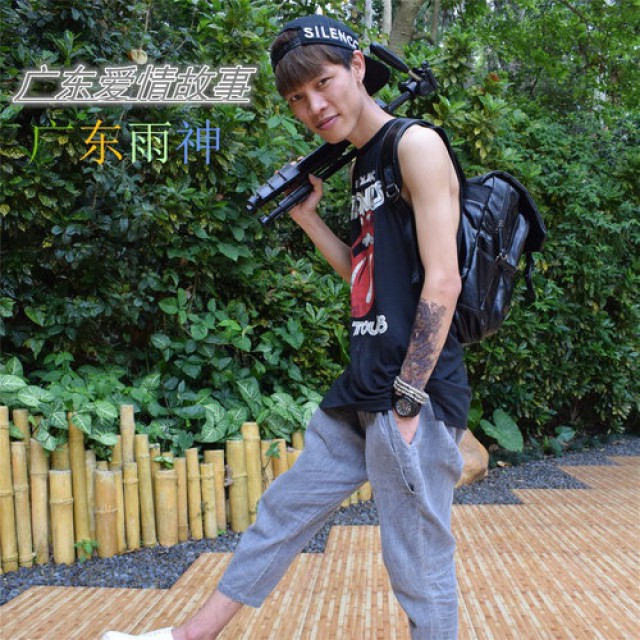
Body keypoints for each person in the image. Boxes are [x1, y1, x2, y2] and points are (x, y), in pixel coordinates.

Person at [102, 13, 470, 640]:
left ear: (358, 67)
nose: (313, 106)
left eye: (323, 83)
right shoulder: (363, 164)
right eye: (298, 98)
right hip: (364, 385)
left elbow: (444, 280)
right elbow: (367, 275)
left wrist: (409, 398)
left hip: (413, 392)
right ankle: (190, 636)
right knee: (282, 512)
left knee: (417, 559)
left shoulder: (415, 146)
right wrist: (308, 219)